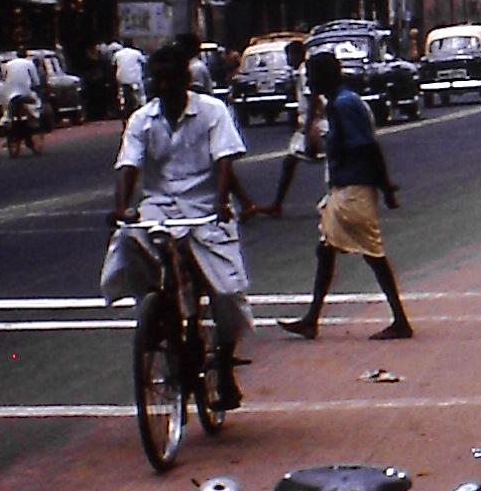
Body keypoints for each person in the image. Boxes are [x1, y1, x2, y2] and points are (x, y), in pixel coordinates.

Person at [102, 39, 266, 409]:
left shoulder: (212, 111)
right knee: (128, 246)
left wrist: (223, 201)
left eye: (169, 79)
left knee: (226, 295)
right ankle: (156, 314)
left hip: (205, 210)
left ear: (185, 80)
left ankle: (223, 362)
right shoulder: (141, 120)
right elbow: (129, 167)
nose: (162, 87)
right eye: (156, 80)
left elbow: (224, 161)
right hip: (159, 211)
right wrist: (122, 208)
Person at [279, 51, 414, 341]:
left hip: (355, 189)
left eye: (314, 76)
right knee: (326, 250)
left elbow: (368, 147)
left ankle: (400, 320)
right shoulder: (339, 103)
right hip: (345, 187)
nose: (311, 84)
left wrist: (386, 186)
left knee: (373, 254)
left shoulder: (343, 105)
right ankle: (312, 318)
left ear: (327, 76)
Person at [265, 40, 325, 217]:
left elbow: (314, 98)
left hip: (314, 122)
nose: (289, 59)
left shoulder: (306, 73)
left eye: (290, 55)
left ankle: (277, 203)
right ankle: (277, 203)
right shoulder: (302, 72)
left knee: (293, 161)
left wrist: (309, 128)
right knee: (290, 162)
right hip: (311, 121)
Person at [0, 49, 42, 144]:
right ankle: (33, 124)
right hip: (25, 93)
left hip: (11, 94)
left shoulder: (8, 64)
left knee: (8, 112)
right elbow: (36, 81)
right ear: (26, 55)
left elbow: (4, 78)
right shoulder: (29, 64)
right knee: (35, 104)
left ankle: (7, 128)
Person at [112, 40, 147, 113]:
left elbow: (113, 63)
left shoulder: (118, 54)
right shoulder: (136, 53)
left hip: (121, 79)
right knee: (141, 94)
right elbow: (144, 61)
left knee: (121, 93)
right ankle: (143, 107)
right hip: (135, 79)